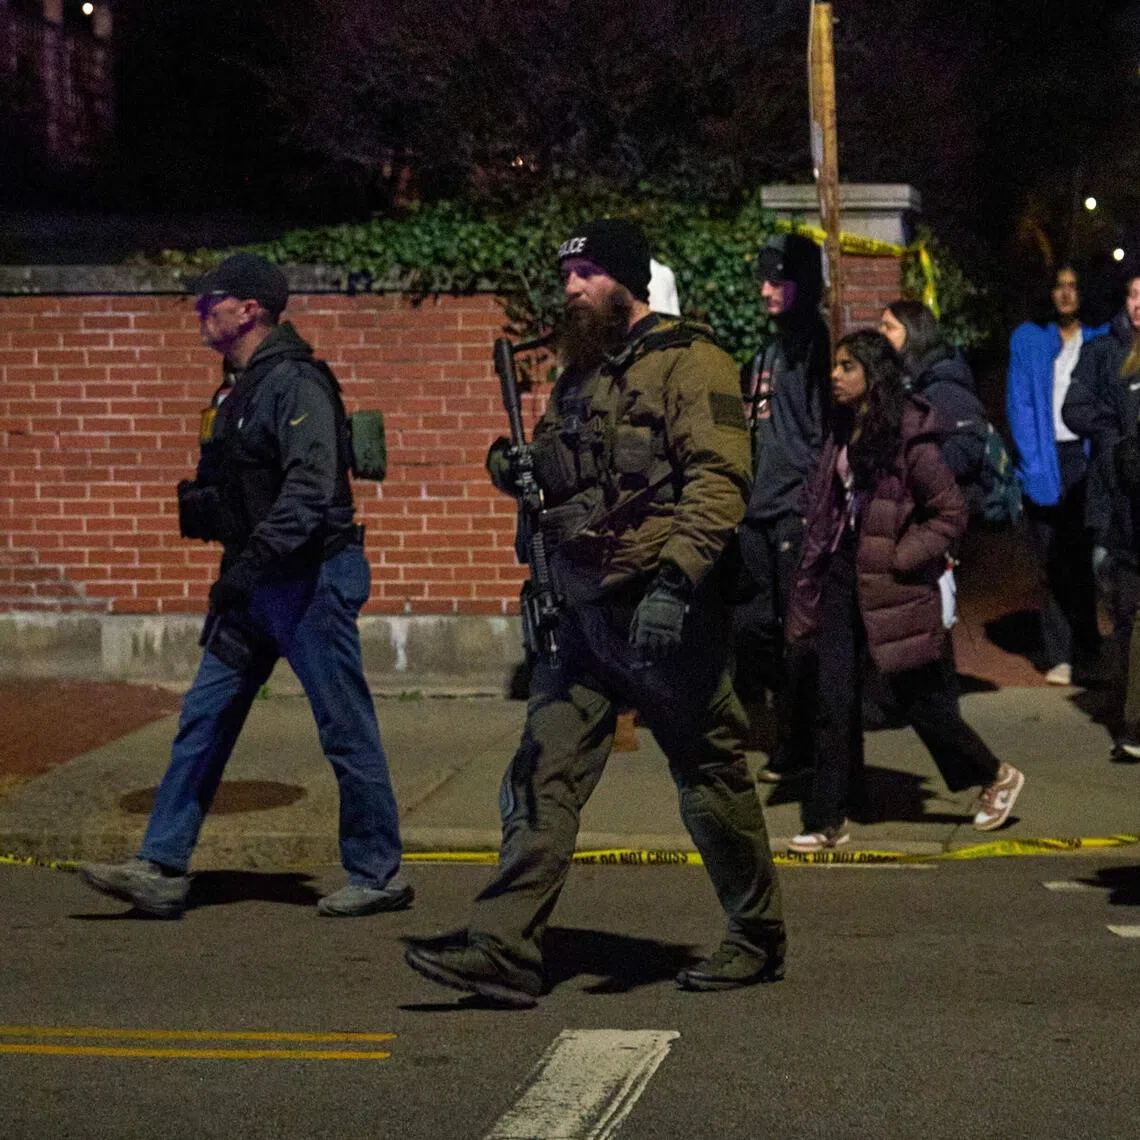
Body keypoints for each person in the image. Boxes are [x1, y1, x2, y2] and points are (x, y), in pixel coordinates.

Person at [404, 219, 785, 1006]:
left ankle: (756, 935)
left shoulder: (692, 360)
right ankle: (503, 945)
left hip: (662, 611)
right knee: (542, 775)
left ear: (627, 281)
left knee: (709, 773)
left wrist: (677, 585)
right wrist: (511, 465)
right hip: (582, 617)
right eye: (567, 273)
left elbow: (719, 482)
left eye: (585, 273)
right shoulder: (581, 375)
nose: (570, 287)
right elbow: (555, 464)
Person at [79, 252, 411, 919]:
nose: (203, 312)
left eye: (212, 301)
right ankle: (161, 865)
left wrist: (253, 560)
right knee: (205, 716)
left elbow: (311, 490)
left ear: (250, 309)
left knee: (344, 726)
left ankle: (377, 872)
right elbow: (245, 486)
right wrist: (212, 515)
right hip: (255, 581)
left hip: (308, 579)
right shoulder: (236, 389)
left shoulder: (296, 384)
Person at [785, 330, 1026, 851]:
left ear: (874, 376)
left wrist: (902, 553)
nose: (835, 375)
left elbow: (950, 512)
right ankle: (828, 817)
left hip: (892, 584)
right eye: (836, 365)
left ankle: (996, 776)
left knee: (919, 701)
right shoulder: (839, 428)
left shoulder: (910, 438)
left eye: (847, 366)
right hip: (842, 576)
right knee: (832, 699)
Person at [736, 231, 830, 782]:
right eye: (764, 280)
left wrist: (811, 503)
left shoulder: (815, 349)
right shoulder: (766, 352)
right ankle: (785, 730)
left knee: (798, 632)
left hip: (794, 510)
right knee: (753, 627)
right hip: (758, 510)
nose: (766, 291)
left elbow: (819, 436)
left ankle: (800, 744)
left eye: (778, 280)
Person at [1006, 266, 1107, 685]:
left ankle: (1089, 646)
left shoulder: (1100, 338)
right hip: (1047, 457)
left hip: (1086, 458)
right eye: (1059, 287)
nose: (1066, 295)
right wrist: (1032, 465)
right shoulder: (1028, 339)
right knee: (1052, 561)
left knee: (1086, 559)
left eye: (1073, 286)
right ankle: (1060, 653)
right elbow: (1019, 406)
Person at [1061, 271, 1140, 756]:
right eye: (1133, 293)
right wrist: (1117, 440)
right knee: (1126, 613)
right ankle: (1129, 718)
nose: (1139, 304)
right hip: (1118, 505)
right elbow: (1074, 409)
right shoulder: (1103, 352)